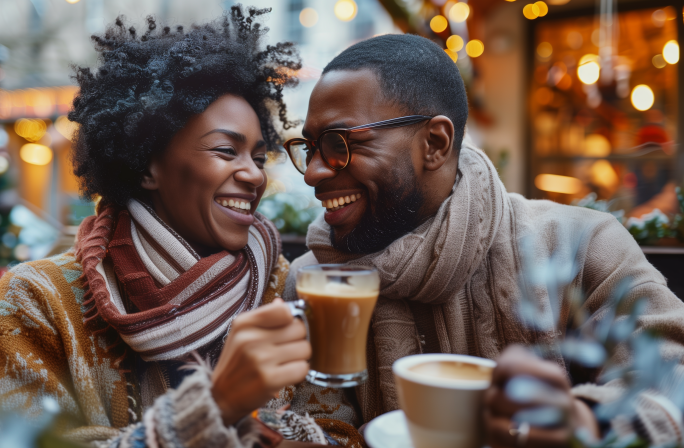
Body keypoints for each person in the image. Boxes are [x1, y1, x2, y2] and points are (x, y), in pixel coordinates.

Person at [0, 7, 360, 447]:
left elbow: (339, 434)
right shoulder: (34, 305)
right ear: (147, 167)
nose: (255, 175)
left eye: (257, 158)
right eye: (225, 151)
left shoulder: (283, 287)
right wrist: (213, 409)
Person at [282, 34, 684, 447]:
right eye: (310, 147)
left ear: (434, 144)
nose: (313, 173)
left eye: (340, 143)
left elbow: (673, 381)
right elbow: (315, 425)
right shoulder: (313, 279)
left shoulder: (581, 245)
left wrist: (585, 422)